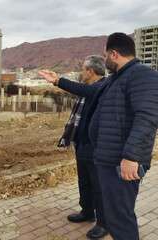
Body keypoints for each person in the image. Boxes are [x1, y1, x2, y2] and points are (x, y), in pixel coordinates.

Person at [84, 32, 158, 240]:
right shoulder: (117, 78)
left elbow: (148, 116)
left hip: (122, 162)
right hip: (108, 159)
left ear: (114, 54)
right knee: (114, 215)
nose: (104, 60)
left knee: (120, 218)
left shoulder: (142, 75)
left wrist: (132, 157)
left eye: (105, 55)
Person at [39, 55, 108, 239]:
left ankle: (103, 223)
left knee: (98, 185)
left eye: (83, 69)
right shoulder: (90, 88)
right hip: (82, 143)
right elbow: (82, 91)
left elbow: (81, 89)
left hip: (96, 146)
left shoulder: (102, 87)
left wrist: (57, 81)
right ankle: (87, 211)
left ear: (90, 71)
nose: (81, 73)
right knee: (84, 181)